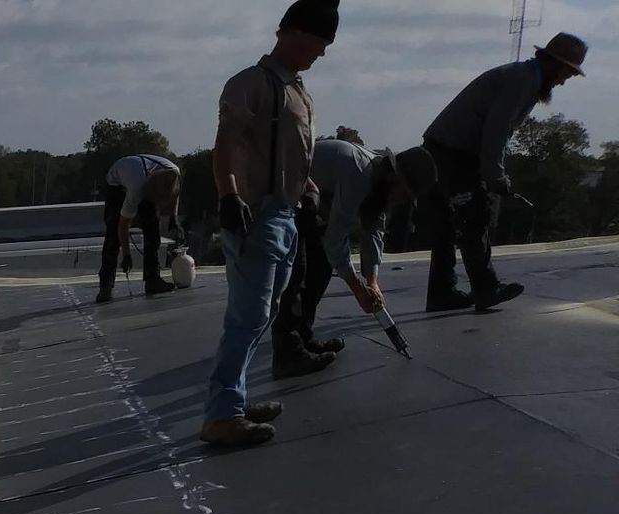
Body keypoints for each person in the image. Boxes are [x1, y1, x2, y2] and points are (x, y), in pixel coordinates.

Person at [201, 0, 339, 449]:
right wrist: (229, 195)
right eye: (319, 43)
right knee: (247, 317)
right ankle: (222, 415)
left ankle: (233, 403)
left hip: (284, 215)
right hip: (257, 217)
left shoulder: (297, 91)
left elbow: (291, 154)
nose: (321, 53)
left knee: (263, 315)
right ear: (293, 33)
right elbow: (227, 141)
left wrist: (310, 189)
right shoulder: (252, 84)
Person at [421, 32, 588, 313]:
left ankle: (442, 293)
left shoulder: (525, 78)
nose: (562, 82)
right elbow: (496, 131)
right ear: (554, 65)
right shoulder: (523, 80)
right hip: (454, 155)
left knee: (446, 226)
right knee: (474, 216)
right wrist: (495, 178)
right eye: (566, 75)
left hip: (438, 150)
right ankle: (486, 288)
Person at [272, 139, 438, 355]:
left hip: (310, 202)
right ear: (393, 177)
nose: (400, 201)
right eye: (403, 193)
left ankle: (303, 337)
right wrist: (357, 287)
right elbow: (335, 239)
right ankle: (287, 352)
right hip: (282, 191)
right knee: (298, 271)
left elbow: (375, 229)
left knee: (320, 269)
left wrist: (372, 282)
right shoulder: (359, 174)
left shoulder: (379, 186)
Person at [97, 155, 182, 303]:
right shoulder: (136, 189)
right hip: (117, 185)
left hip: (141, 174)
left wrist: (174, 218)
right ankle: (106, 285)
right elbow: (123, 225)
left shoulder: (173, 173)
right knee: (113, 233)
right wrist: (127, 254)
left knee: (152, 225)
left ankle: (152, 279)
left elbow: (175, 194)